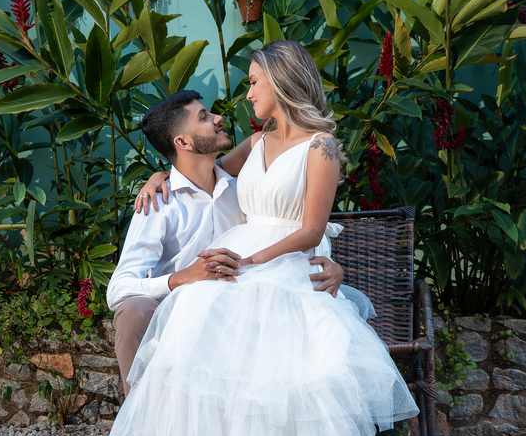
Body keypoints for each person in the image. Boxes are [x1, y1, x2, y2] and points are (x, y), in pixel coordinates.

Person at [87, 40, 417, 436]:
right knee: (205, 326)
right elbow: (200, 165)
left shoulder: (323, 147)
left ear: (280, 83)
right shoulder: (255, 143)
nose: (245, 95)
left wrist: (262, 259)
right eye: (206, 115)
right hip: (237, 265)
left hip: (276, 264)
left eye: (254, 82)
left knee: (279, 363)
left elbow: (311, 228)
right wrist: (159, 173)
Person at [107, 89, 349, 394]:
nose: (219, 119)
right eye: (205, 118)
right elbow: (117, 288)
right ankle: (141, 425)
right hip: (179, 307)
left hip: (238, 302)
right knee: (132, 311)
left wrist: (330, 264)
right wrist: (183, 278)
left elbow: (288, 229)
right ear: (182, 142)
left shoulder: (244, 190)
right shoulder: (158, 203)